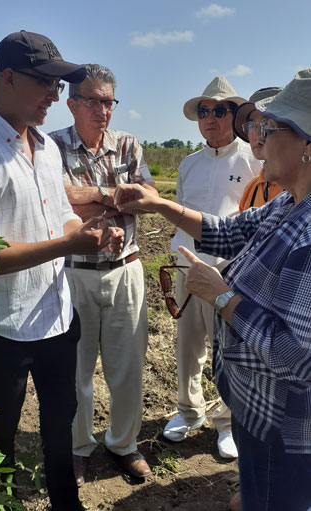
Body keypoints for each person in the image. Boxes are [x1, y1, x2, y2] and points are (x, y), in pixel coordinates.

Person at [0, 32, 124, 511]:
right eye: (46, 83)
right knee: (2, 433)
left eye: (59, 87)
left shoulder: (46, 148)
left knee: (60, 420)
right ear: (7, 77)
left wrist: (89, 229)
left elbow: (62, 215)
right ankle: (1, 503)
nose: (55, 97)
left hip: (57, 314)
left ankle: (65, 502)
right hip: (4, 326)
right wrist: (68, 243)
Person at [114, 68, 311, 511]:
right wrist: (160, 204)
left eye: (271, 127)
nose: (258, 135)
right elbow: (226, 230)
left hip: (286, 425)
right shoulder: (287, 203)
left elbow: (295, 355)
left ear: (307, 146)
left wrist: (223, 297)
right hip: (256, 410)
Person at [49, 64, 157, 485]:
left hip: (125, 269)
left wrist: (88, 202)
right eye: (93, 101)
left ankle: (123, 444)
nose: (103, 110)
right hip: (73, 272)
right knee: (76, 369)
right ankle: (77, 447)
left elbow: (148, 199)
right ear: (72, 102)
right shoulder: (51, 145)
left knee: (128, 366)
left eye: (108, 101)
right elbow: (52, 200)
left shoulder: (128, 144)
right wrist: (107, 195)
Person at [162, 76, 261, 458]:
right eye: (204, 111)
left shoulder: (252, 159)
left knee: (228, 350)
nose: (211, 118)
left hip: (229, 272)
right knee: (188, 347)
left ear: (234, 115)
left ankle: (226, 421)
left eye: (220, 110)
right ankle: (189, 412)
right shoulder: (188, 165)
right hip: (187, 267)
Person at [234, 87, 284, 212]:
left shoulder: (301, 186)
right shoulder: (252, 188)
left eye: (266, 123)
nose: (257, 133)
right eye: (251, 125)